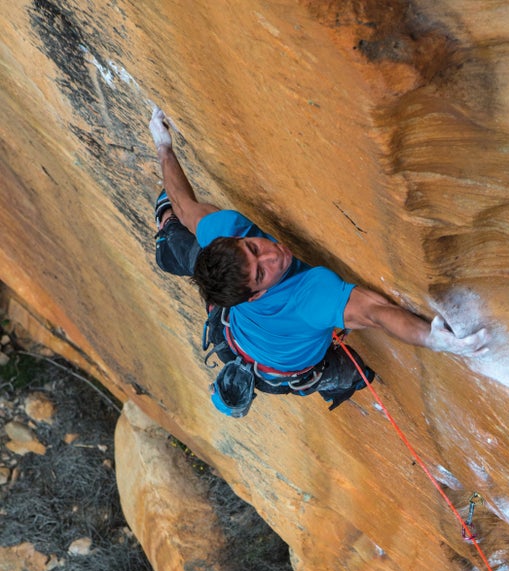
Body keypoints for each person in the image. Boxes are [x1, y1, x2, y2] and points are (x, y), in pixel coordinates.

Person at [148, 107, 489, 414]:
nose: (272, 254)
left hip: (231, 334)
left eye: (253, 248)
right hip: (280, 370)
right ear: (255, 295)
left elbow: (184, 206)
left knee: (185, 238)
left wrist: (164, 147)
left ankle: (166, 237)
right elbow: (377, 313)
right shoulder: (310, 296)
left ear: (237, 239)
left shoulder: (224, 232)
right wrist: (431, 338)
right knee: (350, 374)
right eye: (262, 272)